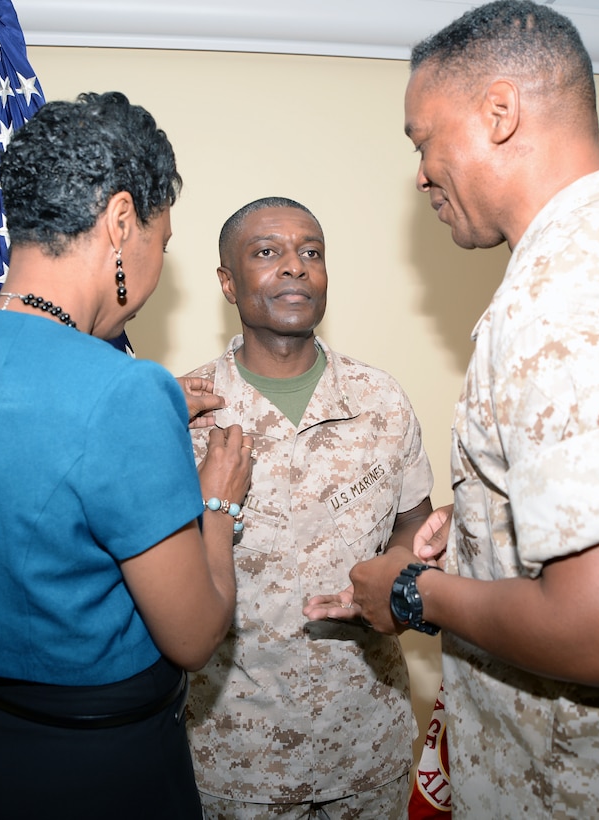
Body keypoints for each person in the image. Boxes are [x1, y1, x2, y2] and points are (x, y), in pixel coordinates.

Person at [316, 2, 599, 817]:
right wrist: (486, 533)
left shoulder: (560, 301)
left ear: (500, 113)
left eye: (424, 139)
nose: (421, 171)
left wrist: (413, 591)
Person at [0, 91, 252, 819]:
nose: (155, 269)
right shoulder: (123, 392)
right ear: (122, 221)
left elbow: (23, 470)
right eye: (161, 240)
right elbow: (194, 635)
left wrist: (138, 426)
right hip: (93, 773)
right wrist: (216, 500)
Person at [181, 196, 434, 819]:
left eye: (311, 252)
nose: (295, 267)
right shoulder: (181, 412)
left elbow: (416, 530)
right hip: (235, 757)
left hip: (366, 745)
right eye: (267, 252)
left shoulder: (381, 400)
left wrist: (397, 590)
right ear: (226, 282)